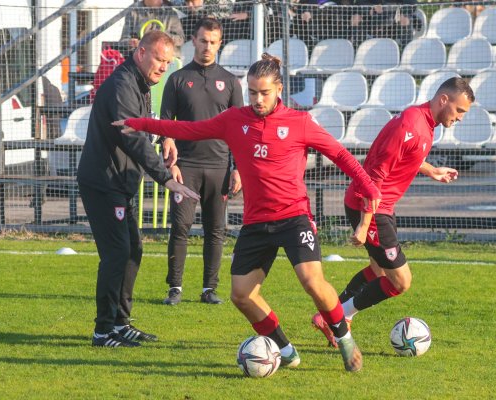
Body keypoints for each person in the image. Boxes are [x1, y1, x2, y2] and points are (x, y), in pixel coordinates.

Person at [113, 53, 382, 372]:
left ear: (279, 89)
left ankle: (344, 338)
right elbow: (188, 129)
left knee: (312, 281)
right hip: (257, 223)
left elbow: (340, 154)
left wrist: (369, 187)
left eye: (264, 92)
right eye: (252, 91)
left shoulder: (300, 123)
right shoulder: (233, 120)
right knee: (241, 295)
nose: (257, 99)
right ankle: (285, 349)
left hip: (294, 216)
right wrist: (139, 124)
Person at [311, 77, 475, 348]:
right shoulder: (411, 124)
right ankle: (339, 317)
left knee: (378, 271)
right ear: (444, 100)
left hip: (379, 207)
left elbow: (409, 155)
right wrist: (364, 225)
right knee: (400, 281)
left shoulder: (425, 123)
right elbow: (375, 176)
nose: (460, 118)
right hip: (373, 208)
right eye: (459, 111)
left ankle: (329, 315)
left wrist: (432, 170)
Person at [77, 30, 200, 348]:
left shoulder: (141, 85)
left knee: (133, 251)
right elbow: (131, 137)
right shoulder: (122, 85)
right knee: (117, 254)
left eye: (168, 63)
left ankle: (120, 323)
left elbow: (145, 128)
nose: (163, 67)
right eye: (159, 59)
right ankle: (103, 331)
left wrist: (165, 141)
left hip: (120, 183)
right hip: (104, 183)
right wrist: (165, 177)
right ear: (140, 52)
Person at [160, 18, 243, 306]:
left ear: (220, 43)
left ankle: (209, 289)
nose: (207, 46)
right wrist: (170, 156)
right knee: (180, 228)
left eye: (213, 41)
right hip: (187, 167)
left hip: (219, 168)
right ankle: (175, 287)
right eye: (203, 40)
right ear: (193, 41)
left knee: (215, 230)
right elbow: (164, 125)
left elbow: (240, 131)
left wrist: (238, 169)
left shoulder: (231, 82)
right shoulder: (177, 79)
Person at [121, 0, 185, 51]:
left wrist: (163, 36)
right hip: (142, 57)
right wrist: (131, 43)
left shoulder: (171, 14)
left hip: (167, 58)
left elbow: (180, 39)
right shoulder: (133, 13)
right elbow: (123, 40)